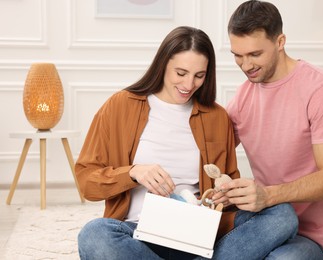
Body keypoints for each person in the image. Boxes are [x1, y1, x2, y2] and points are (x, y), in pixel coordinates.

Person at [75, 26, 298, 260]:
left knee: (282, 215)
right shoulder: (120, 105)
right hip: (138, 234)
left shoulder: (216, 117)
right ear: (162, 64)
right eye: (180, 73)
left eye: (199, 76)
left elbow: (227, 184)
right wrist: (133, 172)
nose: (189, 84)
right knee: (94, 234)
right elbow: (87, 183)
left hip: (202, 234)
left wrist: (225, 194)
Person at [215, 1, 323, 259]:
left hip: (309, 234)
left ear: (280, 42)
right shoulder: (244, 96)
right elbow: (214, 148)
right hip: (265, 219)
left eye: (255, 54)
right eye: (237, 55)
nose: (245, 65)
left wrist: (267, 195)